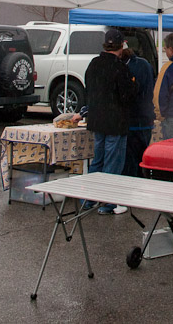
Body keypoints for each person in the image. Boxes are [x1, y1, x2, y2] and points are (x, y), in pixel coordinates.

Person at [72, 28, 138, 214]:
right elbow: (127, 94)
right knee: (113, 163)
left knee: (97, 161)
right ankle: (108, 204)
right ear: (122, 45)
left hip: (97, 120)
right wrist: (134, 85)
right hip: (115, 122)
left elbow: (89, 91)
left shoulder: (94, 64)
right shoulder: (120, 68)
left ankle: (89, 199)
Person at [121, 44, 155, 179]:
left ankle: (132, 191)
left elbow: (129, 95)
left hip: (133, 121)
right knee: (142, 160)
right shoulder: (145, 64)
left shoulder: (126, 67)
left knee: (130, 163)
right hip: (146, 120)